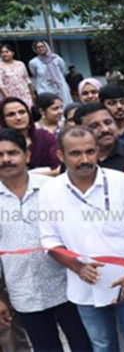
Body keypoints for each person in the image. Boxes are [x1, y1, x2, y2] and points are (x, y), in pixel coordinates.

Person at [39, 125, 124, 352]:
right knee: (102, 346)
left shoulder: (122, 182)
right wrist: (77, 267)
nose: (84, 159)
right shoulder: (50, 191)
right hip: (84, 289)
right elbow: (49, 240)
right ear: (60, 155)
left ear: (97, 151)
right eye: (75, 153)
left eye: (90, 152)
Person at [0, 129, 92, 352]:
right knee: (44, 347)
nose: (6, 160)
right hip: (24, 292)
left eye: (13, 153)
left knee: (84, 344)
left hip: (68, 285)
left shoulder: (54, 188)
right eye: (0, 155)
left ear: (27, 155)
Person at [0, 96, 60, 171]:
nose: (18, 117)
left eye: (22, 112)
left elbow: (58, 168)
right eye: (11, 114)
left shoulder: (44, 137)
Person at [28, 41, 72, 106]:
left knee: (64, 104)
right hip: (44, 88)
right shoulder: (33, 62)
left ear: (47, 47)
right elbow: (34, 74)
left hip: (60, 87)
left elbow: (63, 69)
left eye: (42, 46)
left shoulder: (56, 58)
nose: (40, 49)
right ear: (35, 50)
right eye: (38, 47)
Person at [0, 43, 33, 108]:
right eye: (2, 52)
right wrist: (8, 97)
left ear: (12, 53)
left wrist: (32, 94)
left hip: (24, 94)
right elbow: (0, 84)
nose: (4, 54)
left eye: (7, 52)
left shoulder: (20, 64)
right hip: (10, 95)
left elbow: (27, 79)